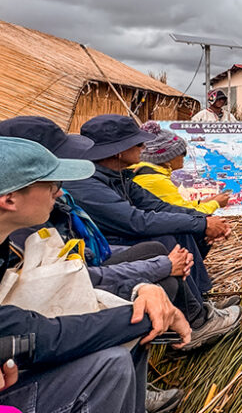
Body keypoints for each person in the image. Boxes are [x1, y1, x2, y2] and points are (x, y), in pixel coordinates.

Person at [0, 136, 191, 413]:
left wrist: (141, 291)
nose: (58, 192)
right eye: (52, 184)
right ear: (10, 199)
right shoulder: (25, 238)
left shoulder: (10, 245)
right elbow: (37, 334)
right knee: (109, 364)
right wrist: (147, 315)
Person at [62, 115, 242, 350]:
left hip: (119, 238)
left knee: (182, 229)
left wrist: (202, 221)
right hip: (106, 246)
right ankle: (195, 323)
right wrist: (201, 223)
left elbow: (158, 206)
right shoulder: (88, 183)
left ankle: (199, 301)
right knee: (164, 239)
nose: (144, 148)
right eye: (138, 143)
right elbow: (135, 221)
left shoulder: (118, 177)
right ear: (118, 151)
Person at [131, 121, 231, 215]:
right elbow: (185, 216)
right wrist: (216, 203)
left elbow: (178, 206)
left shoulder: (146, 172)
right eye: (182, 153)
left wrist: (207, 201)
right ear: (167, 158)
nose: (184, 157)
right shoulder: (156, 180)